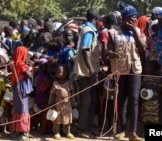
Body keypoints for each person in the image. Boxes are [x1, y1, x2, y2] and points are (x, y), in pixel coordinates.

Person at [107, 2, 146, 141]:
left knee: (134, 99)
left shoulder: (138, 31)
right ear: (124, 18)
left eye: (135, 17)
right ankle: (121, 130)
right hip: (120, 69)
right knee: (121, 100)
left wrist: (135, 31)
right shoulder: (112, 32)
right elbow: (109, 49)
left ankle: (133, 132)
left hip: (135, 69)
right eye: (131, 17)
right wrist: (111, 53)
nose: (134, 20)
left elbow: (142, 48)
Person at [73, 7, 100, 138]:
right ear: (97, 18)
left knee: (92, 100)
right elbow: (85, 50)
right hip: (85, 72)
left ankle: (89, 126)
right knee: (86, 102)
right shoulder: (89, 31)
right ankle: (82, 128)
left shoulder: (86, 28)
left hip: (89, 71)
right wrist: (91, 71)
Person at [10, 46, 33, 140]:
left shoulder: (15, 63)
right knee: (23, 109)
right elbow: (29, 76)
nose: (27, 56)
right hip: (22, 88)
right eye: (26, 54)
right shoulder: (20, 63)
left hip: (18, 87)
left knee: (19, 109)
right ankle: (23, 131)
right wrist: (30, 68)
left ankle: (20, 130)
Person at [48, 64, 76, 139]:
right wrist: (51, 103)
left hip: (67, 103)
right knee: (57, 119)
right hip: (58, 103)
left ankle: (68, 132)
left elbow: (72, 92)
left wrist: (73, 103)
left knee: (68, 119)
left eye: (60, 72)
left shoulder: (69, 83)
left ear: (65, 73)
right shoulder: (55, 83)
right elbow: (52, 94)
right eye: (57, 72)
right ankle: (57, 133)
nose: (57, 73)